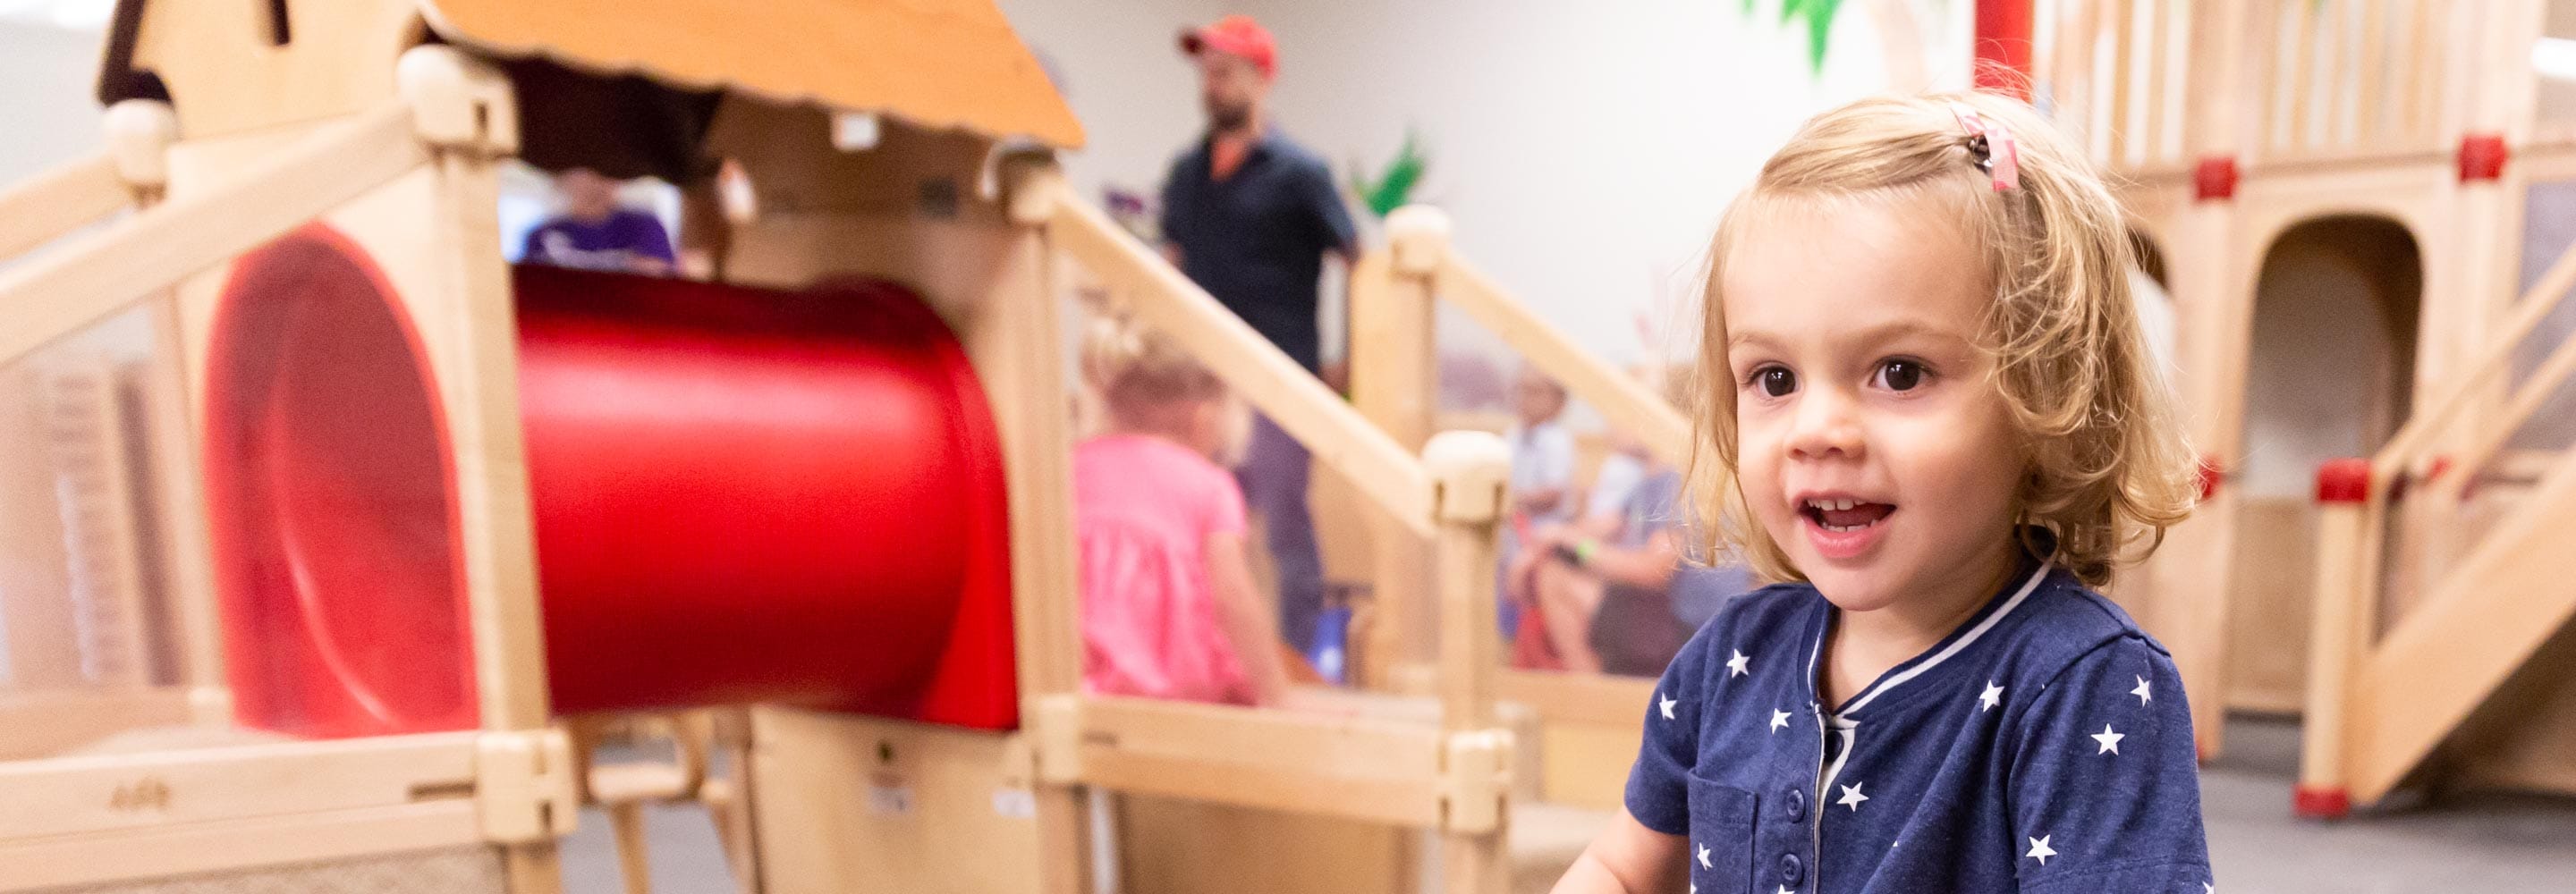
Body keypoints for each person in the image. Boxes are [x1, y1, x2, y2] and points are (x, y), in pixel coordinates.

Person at [1553, 93, 2207, 893]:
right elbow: (1622, 868)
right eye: (1774, 378)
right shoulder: (1731, 657)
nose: (1816, 429)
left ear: (2046, 396)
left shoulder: (2081, 685)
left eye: (1900, 372)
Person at [1159, 14, 1360, 654]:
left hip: (1281, 377)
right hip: (1202, 382)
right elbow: (1169, 267)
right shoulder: (1186, 175)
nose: (1211, 85)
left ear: (1259, 79)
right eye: (1206, 74)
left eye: (1224, 73)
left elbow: (1358, 260)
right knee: (1212, 520)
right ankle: (1221, 653)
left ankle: (1298, 655)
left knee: (1284, 525)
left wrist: (1348, 360)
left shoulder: (1299, 172)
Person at [1073, 315, 1290, 707]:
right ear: (1203, 417)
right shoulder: (1210, 486)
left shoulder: (1072, 466)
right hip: (1174, 693)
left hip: (1076, 681)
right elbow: (1231, 595)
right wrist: (1275, 693)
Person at [1499, 367, 1577, 635]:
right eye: (1520, 390)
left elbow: (1553, 494)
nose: (1524, 399)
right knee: (1509, 609)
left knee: (1536, 610)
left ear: (1558, 403)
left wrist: (1512, 498)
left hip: (1543, 539)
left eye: (1535, 393)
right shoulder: (1513, 435)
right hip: (1513, 536)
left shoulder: (1555, 439)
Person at [521, 167, 676, 275]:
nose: (596, 181)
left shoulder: (644, 226)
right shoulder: (541, 236)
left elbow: (658, 278)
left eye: (607, 172)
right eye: (586, 171)